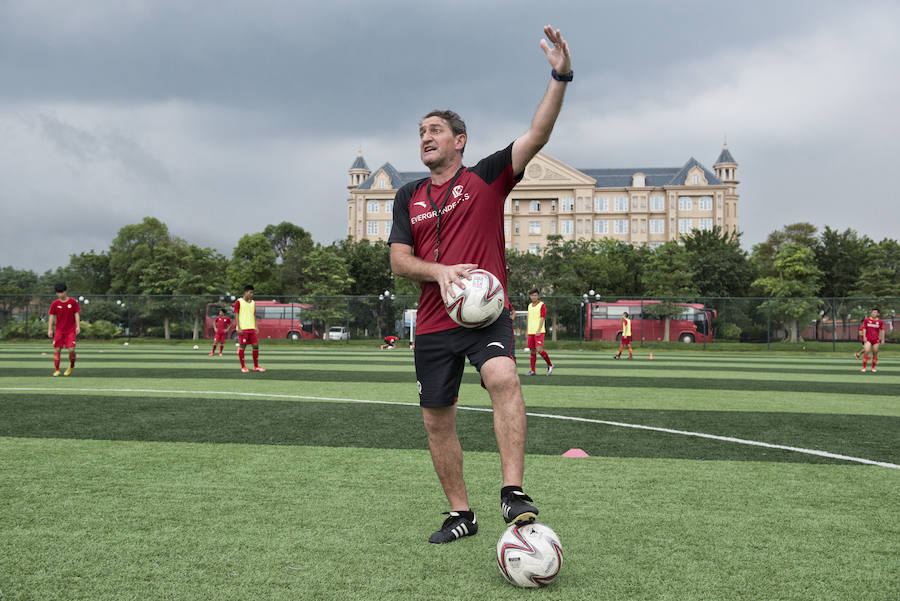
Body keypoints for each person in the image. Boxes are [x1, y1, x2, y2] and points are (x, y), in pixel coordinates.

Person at [388, 25, 572, 544]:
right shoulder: (409, 196)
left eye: (435, 130)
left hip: (485, 316)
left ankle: (512, 490)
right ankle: (461, 514)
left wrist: (560, 75)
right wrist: (440, 271)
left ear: (459, 141)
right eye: (420, 131)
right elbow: (400, 261)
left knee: (504, 377)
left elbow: (538, 134)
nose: (425, 137)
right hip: (431, 323)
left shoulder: (489, 176)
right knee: (436, 420)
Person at [47, 282, 81, 376]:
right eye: (58, 293)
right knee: (57, 349)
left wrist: (78, 326)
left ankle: (71, 366)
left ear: (65, 291)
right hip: (59, 330)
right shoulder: (55, 303)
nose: (60, 294)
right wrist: (50, 329)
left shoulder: (73, 302)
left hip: (70, 330)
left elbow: (76, 314)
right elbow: (51, 316)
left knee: (71, 350)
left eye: (61, 292)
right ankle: (57, 370)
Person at [234, 285, 266, 373]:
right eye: (250, 292)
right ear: (245, 292)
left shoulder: (253, 303)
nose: (251, 294)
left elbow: (253, 315)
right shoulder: (239, 302)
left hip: (251, 328)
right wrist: (238, 327)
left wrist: (256, 326)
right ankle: (243, 366)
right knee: (243, 346)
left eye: (252, 293)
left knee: (256, 345)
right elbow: (236, 314)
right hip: (243, 328)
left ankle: (256, 366)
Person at [525, 287, 553, 376]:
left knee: (539, 349)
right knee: (532, 351)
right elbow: (529, 319)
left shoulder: (542, 305)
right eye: (532, 295)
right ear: (530, 296)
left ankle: (550, 365)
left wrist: (538, 330)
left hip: (539, 331)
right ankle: (533, 370)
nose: (534, 297)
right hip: (530, 331)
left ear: (538, 296)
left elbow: (542, 318)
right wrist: (527, 331)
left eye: (535, 295)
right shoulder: (529, 306)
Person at [860, 307, 885, 373]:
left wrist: (882, 339)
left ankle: (873, 368)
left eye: (875, 312)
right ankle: (864, 367)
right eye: (873, 312)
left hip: (876, 340)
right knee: (867, 351)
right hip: (868, 339)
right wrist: (864, 337)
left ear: (878, 314)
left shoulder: (880, 321)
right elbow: (864, 328)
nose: (874, 313)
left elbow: (882, 330)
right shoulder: (866, 320)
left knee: (875, 353)